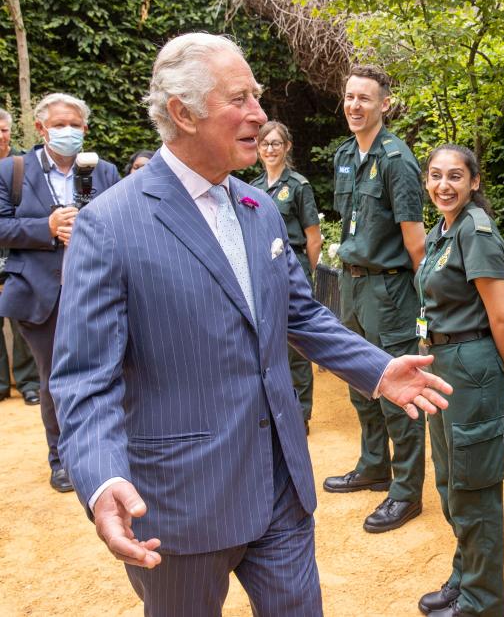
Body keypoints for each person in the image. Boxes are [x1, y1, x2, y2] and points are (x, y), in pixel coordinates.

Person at [49, 32, 452, 617]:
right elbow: (86, 379)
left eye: (256, 96)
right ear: (183, 114)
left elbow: (298, 313)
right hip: (179, 506)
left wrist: (378, 368)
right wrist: (103, 479)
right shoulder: (110, 224)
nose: (259, 114)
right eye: (240, 99)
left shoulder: (259, 207)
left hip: (280, 488)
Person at [414, 145, 504, 617]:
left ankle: (483, 602)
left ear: (474, 182)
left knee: (474, 489)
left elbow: (503, 317)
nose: (444, 185)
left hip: (470, 367)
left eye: (456, 176)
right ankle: (466, 577)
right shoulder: (444, 231)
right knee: (450, 482)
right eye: (436, 176)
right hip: (442, 365)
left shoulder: (476, 232)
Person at [324, 64, 428, 534]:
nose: (354, 105)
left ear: (384, 104)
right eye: (349, 97)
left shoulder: (397, 160)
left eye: (365, 98)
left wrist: (426, 306)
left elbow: (416, 244)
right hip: (351, 284)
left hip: (389, 292)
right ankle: (373, 465)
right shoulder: (346, 155)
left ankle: (405, 492)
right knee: (359, 382)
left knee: (397, 395)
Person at [0, 93, 120, 493]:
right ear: (41, 128)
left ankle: (109, 455)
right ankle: (63, 459)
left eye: (75, 124)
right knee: (55, 379)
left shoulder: (104, 171)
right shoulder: (11, 171)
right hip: (40, 293)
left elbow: (126, 223)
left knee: (110, 372)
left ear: (85, 129)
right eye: (59, 124)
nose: (67, 131)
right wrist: (46, 227)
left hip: (96, 290)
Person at [250, 121, 322, 433]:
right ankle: (275, 407)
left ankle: (301, 411)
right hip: (262, 269)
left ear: (287, 147)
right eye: (264, 144)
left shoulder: (298, 186)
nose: (270, 149)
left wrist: (308, 274)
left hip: (293, 266)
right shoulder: (252, 188)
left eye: (276, 143)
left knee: (296, 344)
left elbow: (313, 237)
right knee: (267, 341)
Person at [0, 107, 41, 405]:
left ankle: (28, 383)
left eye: (2, 129)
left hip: (17, 252)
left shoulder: (22, 165)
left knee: (20, 318)